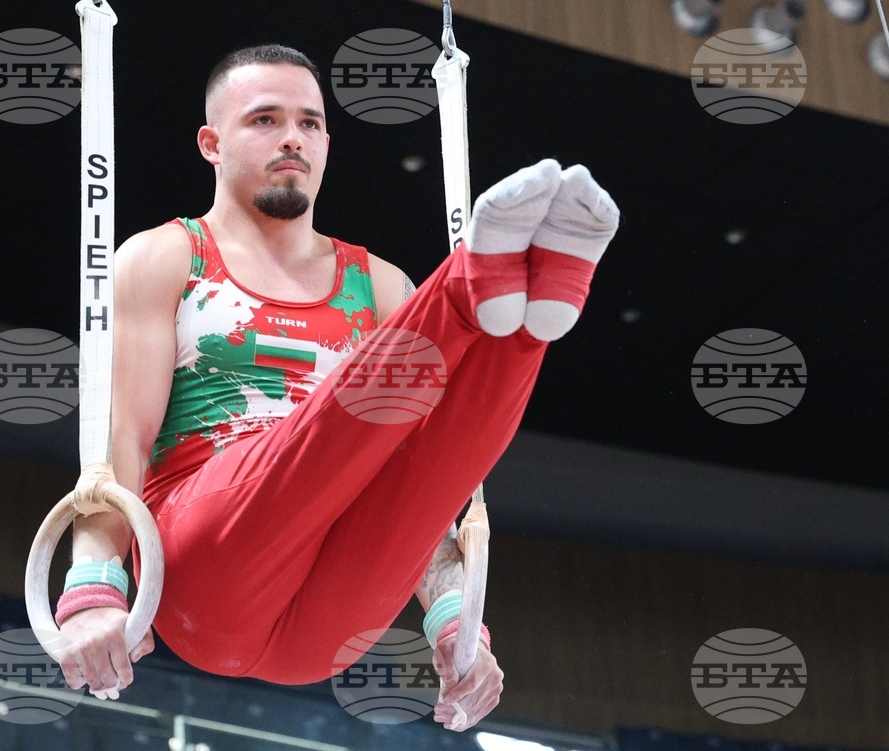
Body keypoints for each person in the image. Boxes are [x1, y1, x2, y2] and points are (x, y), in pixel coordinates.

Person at [54, 44, 620, 732]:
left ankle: (525, 328)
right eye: (264, 119)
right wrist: (94, 586)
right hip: (204, 571)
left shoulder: (378, 285)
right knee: (345, 418)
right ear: (211, 143)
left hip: (327, 635)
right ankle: (470, 285)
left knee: (423, 453)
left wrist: (456, 619)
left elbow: (420, 490)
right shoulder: (166, 257)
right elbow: (123, 444)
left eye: (310, 123)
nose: (293, 137)